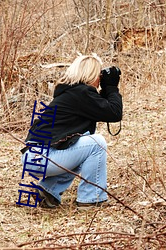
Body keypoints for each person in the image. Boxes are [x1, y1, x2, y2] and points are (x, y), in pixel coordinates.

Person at [21, 54, 123, 209]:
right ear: (90, 74)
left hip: (34, 156)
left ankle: (47, 191)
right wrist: (111, 87)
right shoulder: (81, 93)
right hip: (42, 156)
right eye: (98, 74)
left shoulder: (72, 93)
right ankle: (91, 199)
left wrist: (107, 88)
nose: (99, 78)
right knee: (96, 143)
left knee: (80, 147)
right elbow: (114, 113)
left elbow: (103, 108)